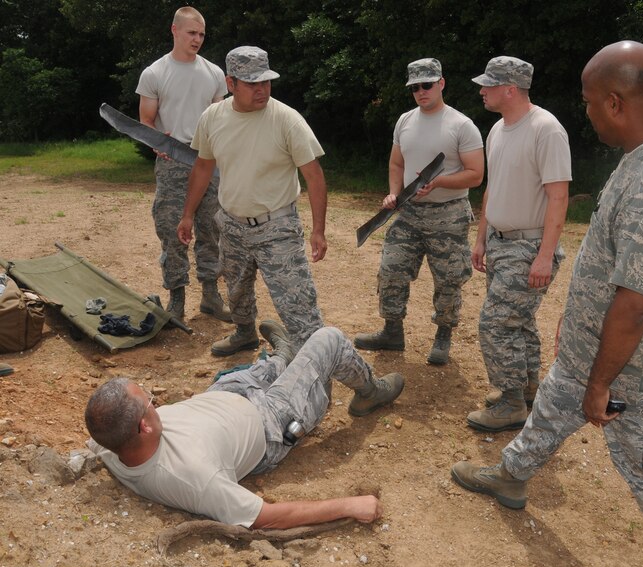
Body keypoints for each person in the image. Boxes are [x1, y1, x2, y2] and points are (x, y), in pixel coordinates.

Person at [451, 41, 643, 567]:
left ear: (615, 102)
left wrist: (600, 383)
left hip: (634, 371)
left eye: (591, 102)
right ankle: (511, 475)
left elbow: (637, 303)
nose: (587, 112)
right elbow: (612, 266)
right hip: (595, 351)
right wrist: (576, 328)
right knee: (549, 410)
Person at [85, 321, 404, 529]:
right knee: (329, 339)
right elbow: (265, 517)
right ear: (145, 428)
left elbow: (94, 438)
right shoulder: (195, 477)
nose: (155, 402)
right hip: (272, 421)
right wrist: (349, 505)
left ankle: (282, 359)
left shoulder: (109, 441)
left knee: (237, 376)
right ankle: (370, 392)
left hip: (220, 398)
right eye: (150, 402)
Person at [177, 46, 328, 357]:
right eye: (252, 83)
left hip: (277, 226)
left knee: (297, 303)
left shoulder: (287, 119)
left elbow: (314, 176)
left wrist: (318, 230)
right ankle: (244, 333)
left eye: (266, 82)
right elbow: (203, 166)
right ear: (230, 83)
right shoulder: (213, 117)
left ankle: (314, 357)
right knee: (236, 289)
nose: (262, 90)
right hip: (231, 223)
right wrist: (187, 214)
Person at [354, 58, 484, 365]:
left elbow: (476, 174)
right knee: (391, 269)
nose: (421, 92)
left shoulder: (462, 125)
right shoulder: (405, 121)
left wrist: (439, 182)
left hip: (449, 213)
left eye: (427, 85)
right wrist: (393, 193)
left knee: (449, 278)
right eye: (415, 87)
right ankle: (392, 331)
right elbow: (396, 163)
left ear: (441, 83)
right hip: (410, 212)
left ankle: (443, 336)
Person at [465, 56, 571, 431]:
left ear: (509, 89)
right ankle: (526, 391)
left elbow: (559, 197)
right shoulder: (497, 130)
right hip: (499, 243)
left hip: (528, 247)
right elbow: (493, 189)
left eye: (488, 85)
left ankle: (510, 403)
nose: (481, 91)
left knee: (495, 324)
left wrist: (544, 256)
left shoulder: (546, 129)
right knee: (517, 322)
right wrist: (480, 239)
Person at [136, 6, 231, 323]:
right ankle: (176, 300)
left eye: (202, 34)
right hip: (173, 159)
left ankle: (210, 298)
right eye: (192, 32)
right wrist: (155, 140)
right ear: (174, 30)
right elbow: (146, 120)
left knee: (211, 230)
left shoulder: (215, 74)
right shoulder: (154, 73)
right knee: (172, 231)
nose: (198, 39)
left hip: (208, 160)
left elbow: (222, 118)